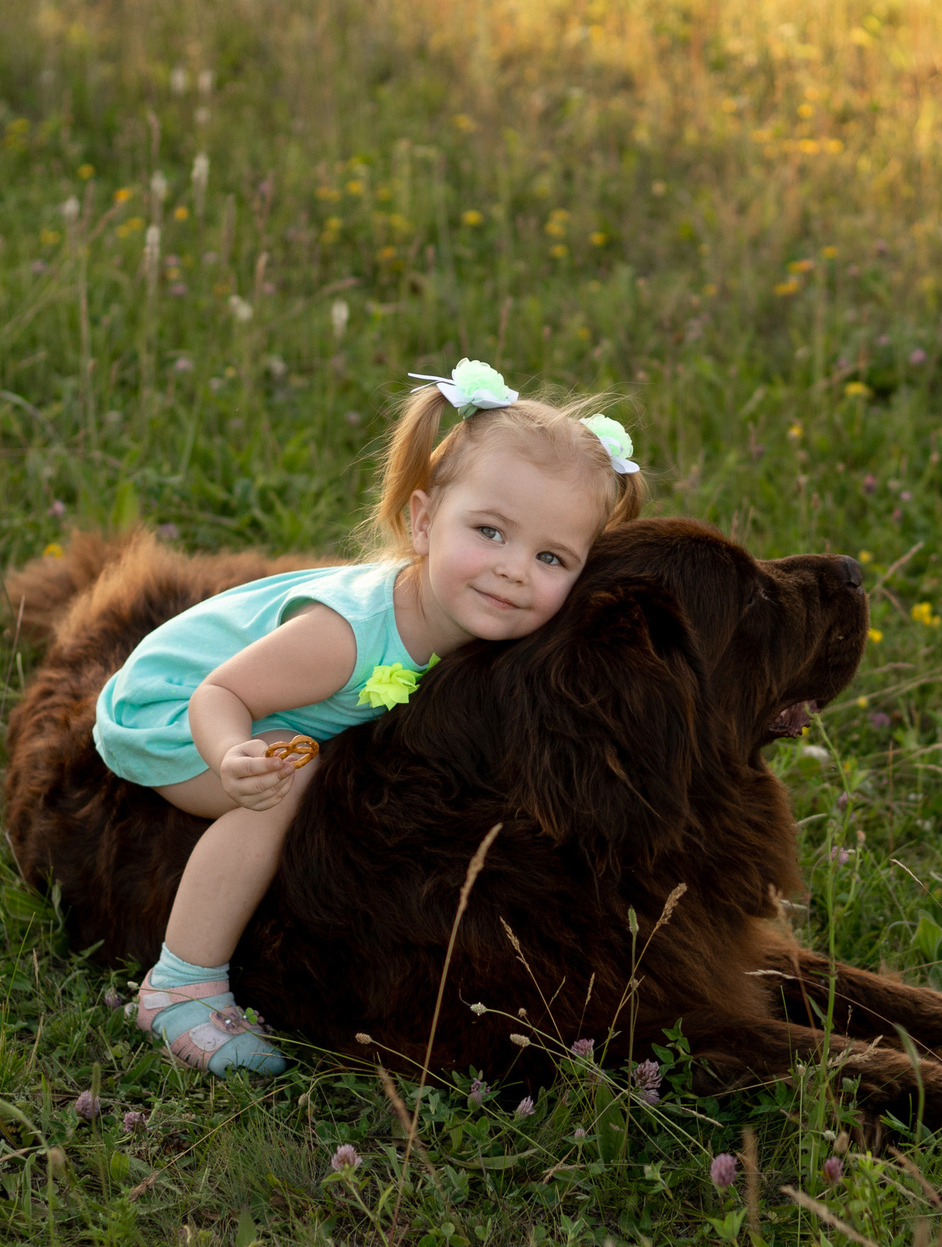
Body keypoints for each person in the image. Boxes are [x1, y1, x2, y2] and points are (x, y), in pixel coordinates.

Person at [90, 359, 647, 1074]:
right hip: (174, 705)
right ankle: (181, 985)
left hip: (240, 687)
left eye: (551, 556)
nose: (514, 570)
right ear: (422, 521)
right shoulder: (347, 635)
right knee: (294, 774)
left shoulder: (475, 623)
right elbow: (219, 695)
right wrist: (232, 754)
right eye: (489, 531)